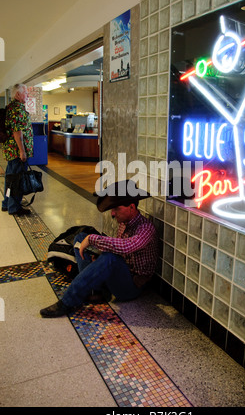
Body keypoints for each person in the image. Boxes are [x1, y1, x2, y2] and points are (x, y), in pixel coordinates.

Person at [40, 181, 159, 318]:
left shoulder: (146, 228)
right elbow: (116, 247)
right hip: (118, 273)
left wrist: (93, 240)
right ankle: (94, 291)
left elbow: (127, 246)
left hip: (131, 286)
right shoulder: (124, 222)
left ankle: (67, 302)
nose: (112, 214)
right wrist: (98, 252)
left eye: (116, 209)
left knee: (109, 257)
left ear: (131, 207)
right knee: (80, 237)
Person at [2, 84, 33, 216]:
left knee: (10, 178)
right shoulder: (17, 109)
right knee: (17, 180)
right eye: (25, 93)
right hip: (16, 152)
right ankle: (14, 207)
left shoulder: (11, 107)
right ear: (18, 95)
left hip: (11, 151)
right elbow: (17, 132)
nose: (27, 95)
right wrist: (22, 151)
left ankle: (7, 203)